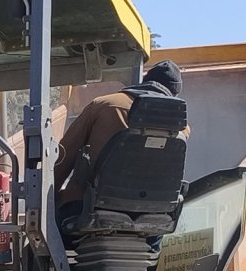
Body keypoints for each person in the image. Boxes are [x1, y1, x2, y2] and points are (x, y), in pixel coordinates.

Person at [53, 60, 186, 242]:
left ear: (145, 81)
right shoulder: (181, 127)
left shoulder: (103, 105)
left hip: (86, 210)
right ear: (174, 92)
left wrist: (47, 197)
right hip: (152, 221)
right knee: (154, 250)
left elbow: (63, 156)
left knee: (39, 247)